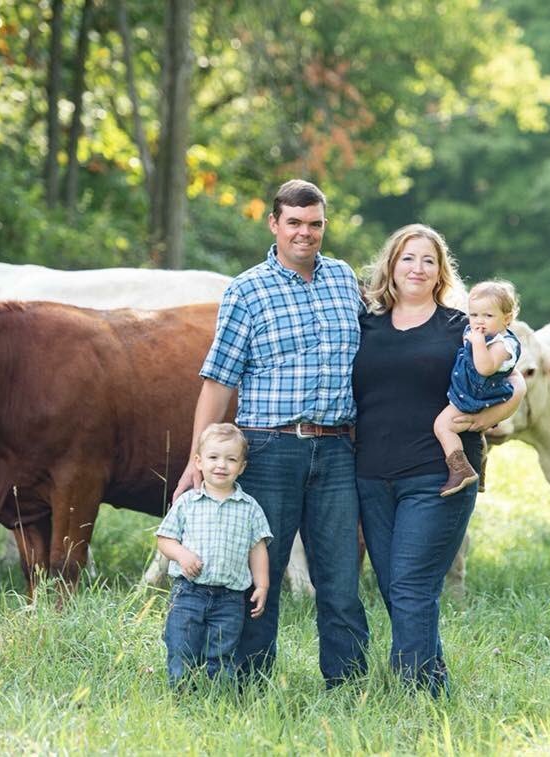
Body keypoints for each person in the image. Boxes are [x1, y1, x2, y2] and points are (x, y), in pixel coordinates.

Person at [172, 179, 369, 688]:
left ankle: (347, 685)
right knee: (261, 573)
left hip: (336, 447)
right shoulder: (246, 290)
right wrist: (198, 459)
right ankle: (249, 683)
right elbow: (218, 383)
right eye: (295, 223)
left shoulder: (345, 280)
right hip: (269, 447)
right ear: (274, 224)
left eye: (315, 224)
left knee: (341, 578)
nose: (306, 233)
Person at [352, 224, 525, 697]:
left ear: (440, 270)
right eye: (408, 258)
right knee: (397, 589)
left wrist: (484, 418)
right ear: (391, 265)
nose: (417, 268)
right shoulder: (364, 324)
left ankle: (416, 694)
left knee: (410, 586)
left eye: (428, 260)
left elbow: (516, 382)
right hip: (371, 475)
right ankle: (426, 682)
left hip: (440, 475)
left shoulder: (461, 327)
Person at [157, 423, 272, 689]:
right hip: (188, 593)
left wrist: (262, 584)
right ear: (198, 462)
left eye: (231, 459)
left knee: (222, 651)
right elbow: (165, 539)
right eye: (213, 457)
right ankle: (182, 695)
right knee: (181, 645)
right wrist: (182, 555)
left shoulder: (250, 508)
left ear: (242, 467)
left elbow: (258, 548)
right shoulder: (188, 502)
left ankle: (216, 696)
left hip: (230, 598)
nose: (221, 465)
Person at [434, 280, 522, 496]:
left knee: (443, 426)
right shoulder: (481, 334)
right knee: (473, 431)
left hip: (473, 397)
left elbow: (484, 368)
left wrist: (478, 342)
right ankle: (480, 466)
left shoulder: (503, 344)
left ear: (507, 318)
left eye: (488, 316)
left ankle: (460, 470)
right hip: (467, 392)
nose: (479, 321)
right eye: (474, 315)